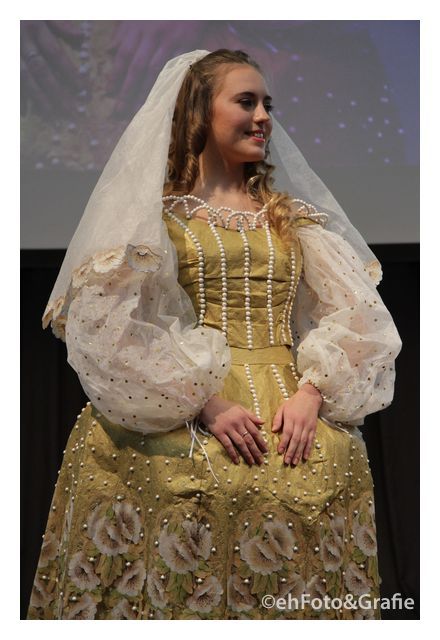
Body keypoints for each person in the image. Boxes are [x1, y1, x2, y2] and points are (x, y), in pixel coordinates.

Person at [26, 48, 402, 620]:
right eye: (246, 102)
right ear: (201, 112)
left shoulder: (292, 219)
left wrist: (312, 394)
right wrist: (202, 402)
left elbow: (360, 317)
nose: (263, 117)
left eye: (267, 104)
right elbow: (111, 327)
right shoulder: (155, 220)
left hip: (291, 408)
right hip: (187, 403)